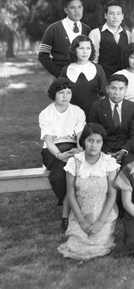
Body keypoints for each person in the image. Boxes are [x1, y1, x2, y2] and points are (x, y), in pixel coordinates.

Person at [58, 123, 119, 260]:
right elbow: (71, 194)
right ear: (83, 141)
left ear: (103, 143)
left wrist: (100, 222)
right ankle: (77, 228)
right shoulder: (74, 162)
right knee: (75, 246)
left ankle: (105, 231)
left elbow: (112, 195)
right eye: (90, 141)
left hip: (104, 214)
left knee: (99, 246)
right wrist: (82, 221)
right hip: (82, 213)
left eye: (98, 141)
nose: (94, 145)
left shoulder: (109, 163)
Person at [39, 77, 85, 230]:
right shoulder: (46, 114)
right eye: (61, 93)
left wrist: (79, 151)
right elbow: (49, 140)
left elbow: (80, 136)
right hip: (52, 152)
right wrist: (59, 155)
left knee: (64, 174)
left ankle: (66, 217)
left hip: (73, 148)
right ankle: (71, 210)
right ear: (54, 94)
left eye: (68, 92)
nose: (65, 96)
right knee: (61, 175)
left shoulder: (77, 111)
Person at [88, 74, 134, 167]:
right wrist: (105, 152)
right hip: (102, 148)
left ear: (126, 90)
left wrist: (124, 151)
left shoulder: (133, 107)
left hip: (126, 148)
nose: (117, 92)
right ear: (107, 88)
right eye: (113, 88)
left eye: (121, 89)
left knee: (129, 168)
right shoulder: (96, 107)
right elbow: (93, 133)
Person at [38, 0, 91, 78]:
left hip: (83, 79)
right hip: (61, 80)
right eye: (73, 8)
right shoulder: (53, 29)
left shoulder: (87, 30)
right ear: (66, 10)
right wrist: (58, 74)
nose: (77, 11)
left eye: (80, 7)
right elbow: (43, 55)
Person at [59, 35, 107, 117]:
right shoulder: (66, 70)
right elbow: (60, 95)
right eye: (81, 48)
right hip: (71, 115)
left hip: (93, 115)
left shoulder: (98, 69)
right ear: (74, 50)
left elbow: (103, 96)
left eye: (88, 48)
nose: (85, 52)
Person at [88, 0, 131, 78]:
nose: (115, 16)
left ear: (122, 16)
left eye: (118, 13)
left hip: (124, 79)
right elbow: (93, 60)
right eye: (112, 13)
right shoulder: (96, 33)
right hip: (103, 77)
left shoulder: (128, 34)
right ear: (105, 15)